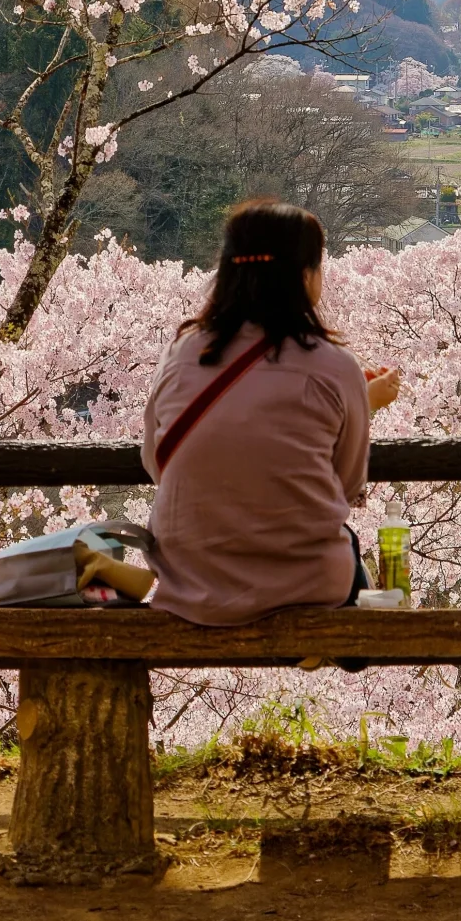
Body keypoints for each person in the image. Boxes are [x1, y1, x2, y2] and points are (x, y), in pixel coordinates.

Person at [138, 198, 402, 625]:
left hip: (192, 584)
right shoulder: (335, 366)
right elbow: (347, 484)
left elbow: (156, 462)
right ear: (304, 276)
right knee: (350, 546)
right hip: (306, 583)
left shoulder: (184, 354)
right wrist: (362, 402)